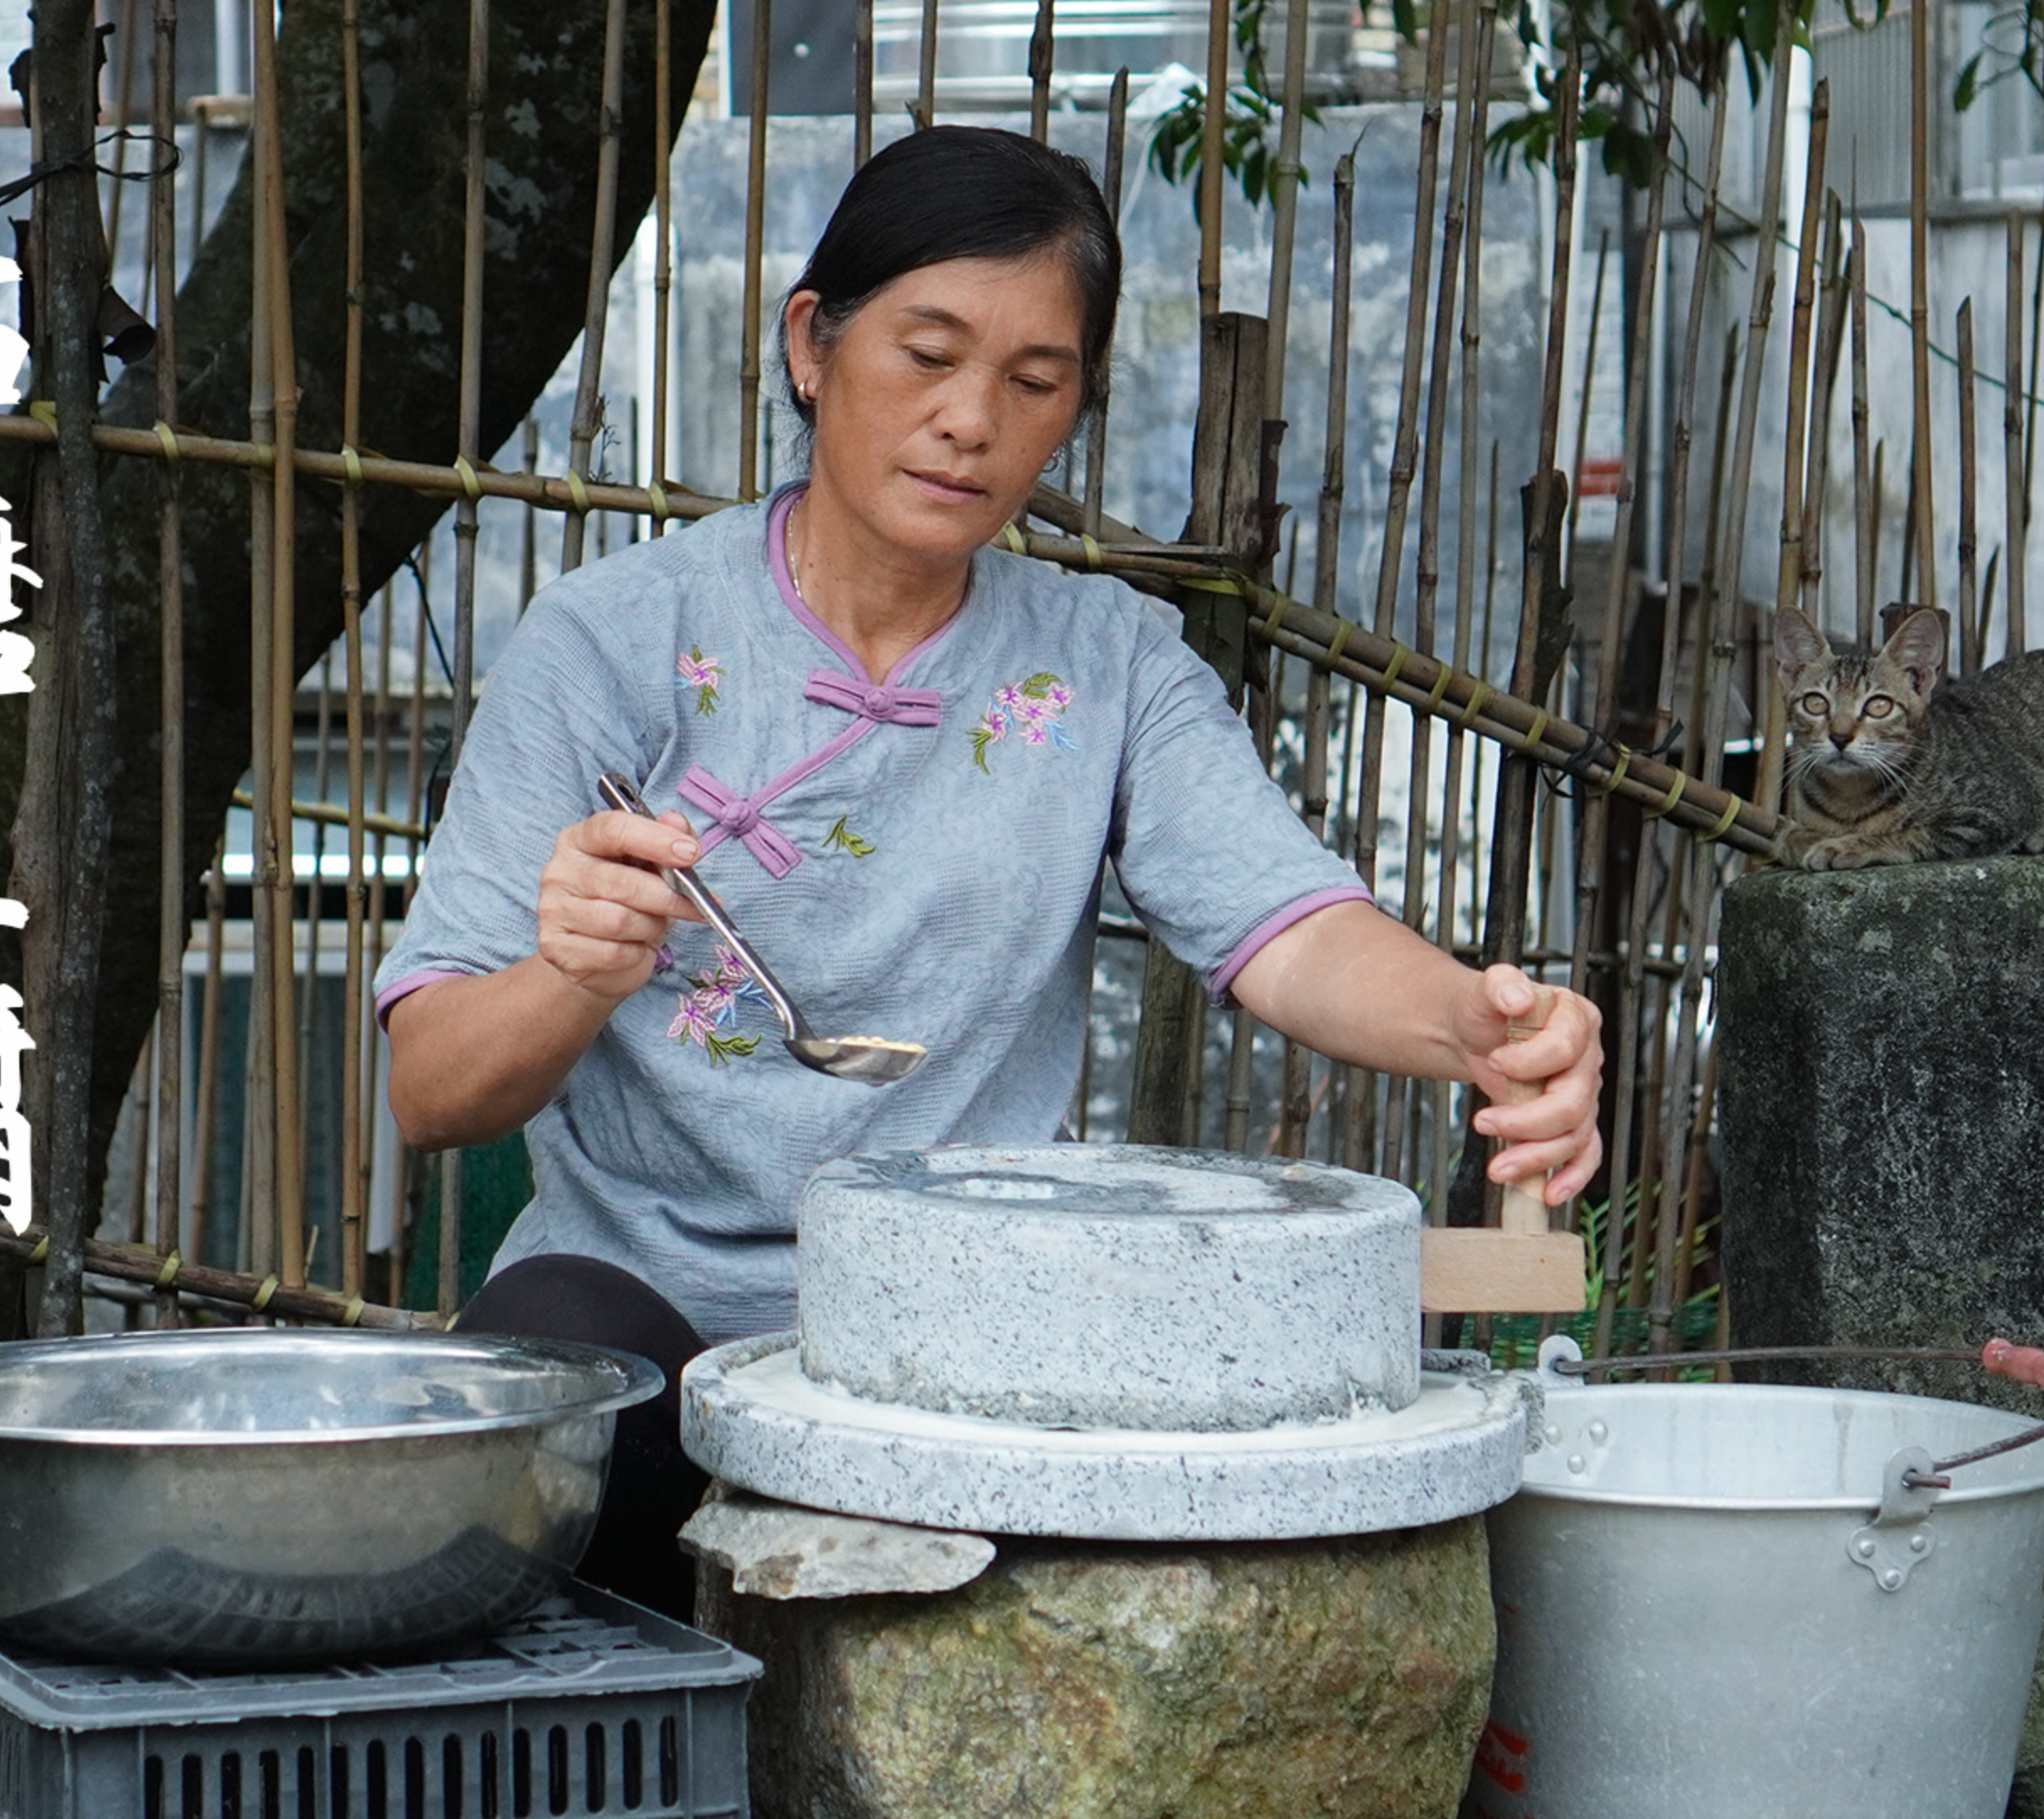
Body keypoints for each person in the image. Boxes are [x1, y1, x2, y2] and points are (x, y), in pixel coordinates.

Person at [376, 126, 1604, 1619]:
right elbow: (434, 1091)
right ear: (812, 345)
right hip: (645, 1293)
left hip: (987, 1309)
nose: (968, 422)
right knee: (562, 1422)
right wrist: (573, 972)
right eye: (926, 353)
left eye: (1033, 384)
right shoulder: (609, 646)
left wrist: (1480, 1025)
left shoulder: (1109, 666)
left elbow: (1288, 929)